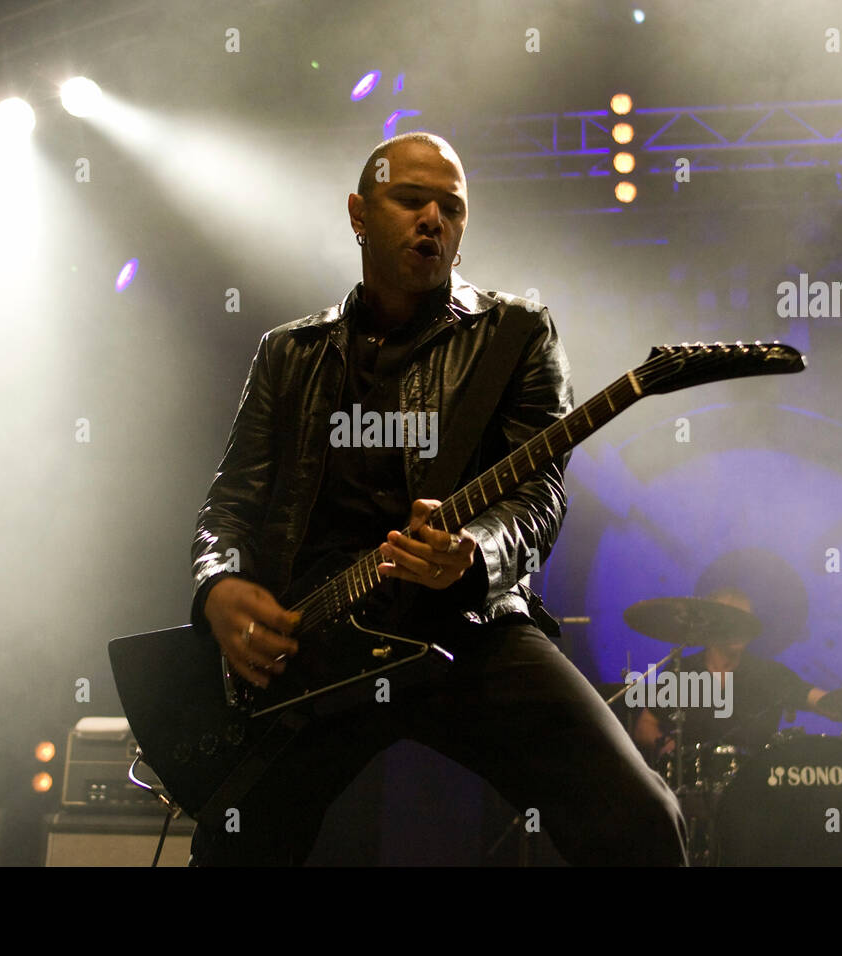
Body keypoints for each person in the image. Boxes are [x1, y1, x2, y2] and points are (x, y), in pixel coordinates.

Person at [187, 131, 686, 865]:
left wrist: (470, 551)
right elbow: (230, 504)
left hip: (467, 630)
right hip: (317, 646)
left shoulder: (516, 333)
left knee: (642, 818)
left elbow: (539, 498)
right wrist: (218, 587)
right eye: (409, 199)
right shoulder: (289, 352)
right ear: (359, 213)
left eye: (450, 207)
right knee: (231, 843)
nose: (432, 219)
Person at [632, 587, 828, 758]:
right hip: (690, 788)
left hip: (753, 788)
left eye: (746, 622)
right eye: (733, 621)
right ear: (710, 626)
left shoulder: (768, 673)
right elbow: (644, 726)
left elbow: (818, 699)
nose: (741, 629)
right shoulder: (683, 670)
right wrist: (669, 748)